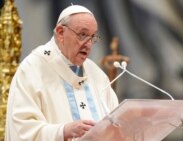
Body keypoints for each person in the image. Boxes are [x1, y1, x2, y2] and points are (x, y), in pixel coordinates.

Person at [4, 5, 119, 141]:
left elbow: (116, 122)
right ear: (60, 33)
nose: (88, 44)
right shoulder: (32, 69)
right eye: (83, 34)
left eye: (92, 37)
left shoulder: (96, 74)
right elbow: (22, 129)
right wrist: (63, 131)